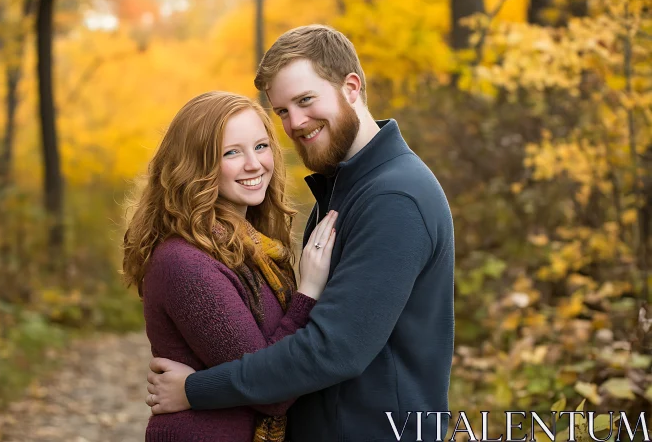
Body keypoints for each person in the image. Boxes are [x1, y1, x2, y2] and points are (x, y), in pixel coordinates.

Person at [145, 25, 456, 442]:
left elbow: (333, 349)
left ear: (351, 87)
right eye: (283, 111)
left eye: (306, 100)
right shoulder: (345, 187)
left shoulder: (394, 197)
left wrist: (194, 389)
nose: (296, 123)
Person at [122, 91, 338, 441]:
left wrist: (192, 387)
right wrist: (309, 291)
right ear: (195, 166)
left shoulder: (252, 249)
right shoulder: (185, 262)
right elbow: (273, 391)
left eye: (261, 146)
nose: (254, 164)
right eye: (231, 152)